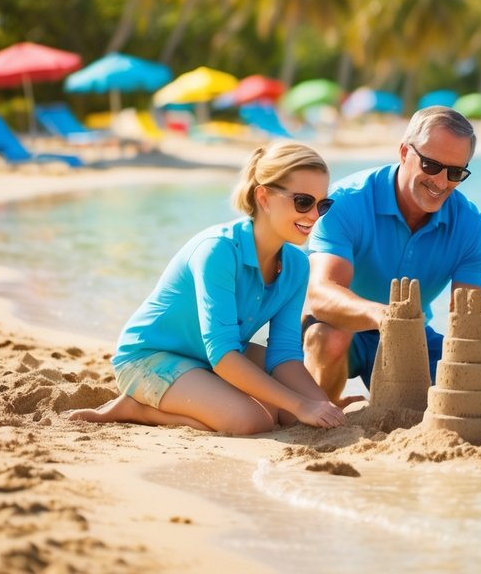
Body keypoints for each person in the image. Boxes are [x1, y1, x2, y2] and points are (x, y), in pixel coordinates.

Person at [69, 142, 345, 434]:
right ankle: (137, 409)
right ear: (263, 197)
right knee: (252, 421)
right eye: (303, 202)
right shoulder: (218, 250)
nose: (314, 215)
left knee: (295, 414)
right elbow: (224, 354)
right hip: (150, 358)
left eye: (323, 204)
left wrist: (317, 403)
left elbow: (284, 353)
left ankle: (205, 395)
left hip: (212, 356)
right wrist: (301, 404)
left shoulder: (297, 266)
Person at [302, 106, 481, 404]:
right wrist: (384, 315)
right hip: (340, 325)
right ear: (404, 152)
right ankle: (320, 411)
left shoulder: (472, 226)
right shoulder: (344, 202)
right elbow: (321, 296)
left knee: (467, 376)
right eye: (430, 165)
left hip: (413, 335)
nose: (441, 183)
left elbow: (467, 321)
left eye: (455, 172)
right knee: (330, 337)